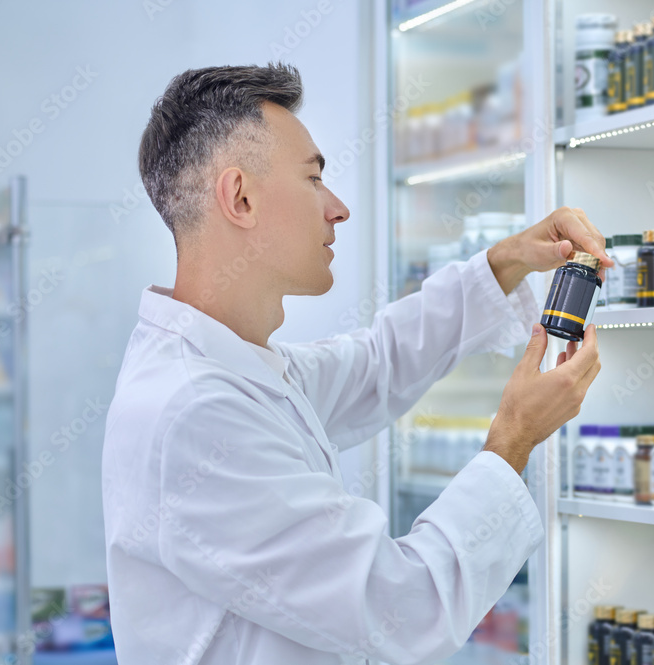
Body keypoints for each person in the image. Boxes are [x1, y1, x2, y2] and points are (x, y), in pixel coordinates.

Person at [102, 63, 608, 665]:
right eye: (314, 179)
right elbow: (404, 609)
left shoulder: (234, 372)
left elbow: (375, 363)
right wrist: (513, 439)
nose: (337, 208)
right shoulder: (196, 412)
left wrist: (506, 262)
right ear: (240, 197)